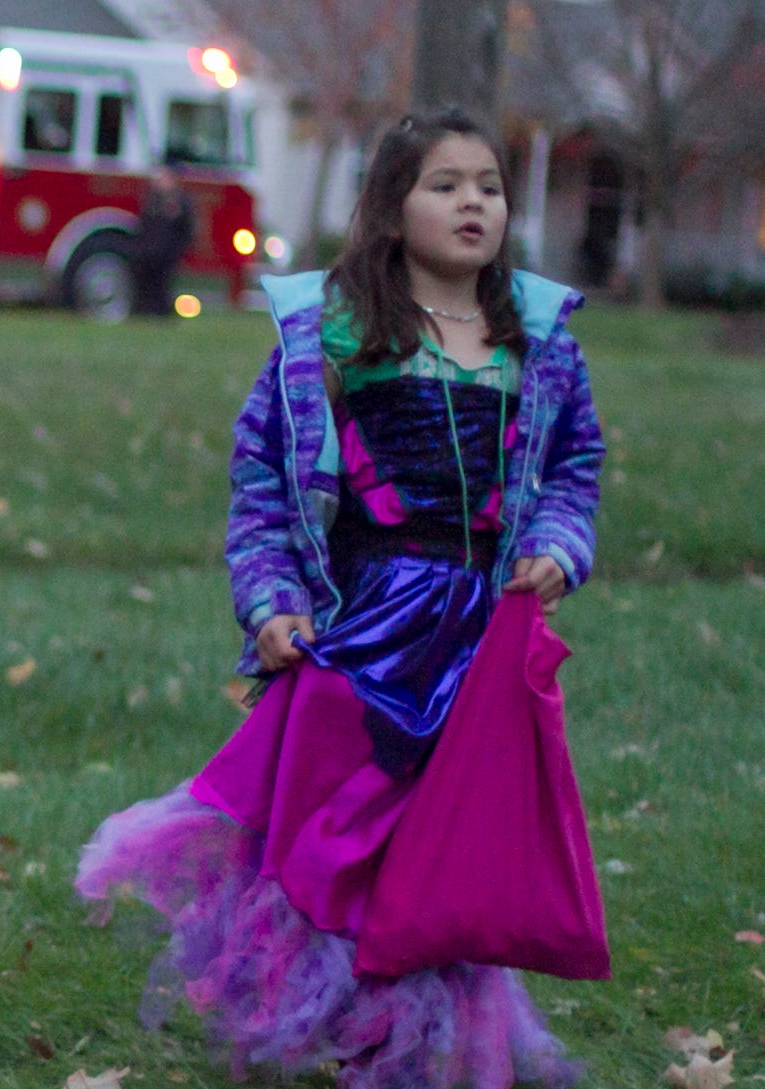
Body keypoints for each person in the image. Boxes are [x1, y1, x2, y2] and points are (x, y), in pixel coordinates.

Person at [73, 108, 606, 1085]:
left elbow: (573, 463)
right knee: (334, 829)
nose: (472, 203)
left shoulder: (537, 341)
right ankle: (327, 1002)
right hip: (361, 624)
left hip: (480, 638)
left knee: (448, 838)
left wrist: (555, 544)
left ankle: (423, 1023)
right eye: (445, 184)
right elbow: (266, 484)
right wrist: (272, 600)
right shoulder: (332, 338)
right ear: (391, 207)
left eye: (487, 185)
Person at [129, 164, 195, 317]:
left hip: (167, 251)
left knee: (163, 283)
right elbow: (144, 224)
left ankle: (162, 311)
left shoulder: (180, 200)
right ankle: (145, 310)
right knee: (147, 281)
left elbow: (186, 228)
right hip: (150, 250)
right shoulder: (153, 199)